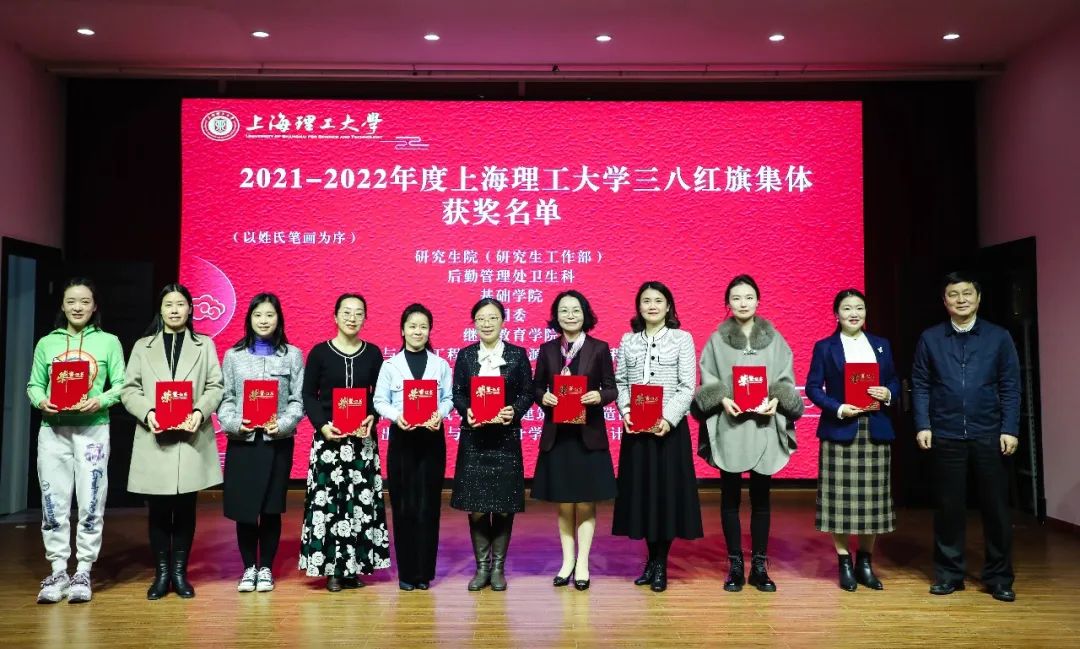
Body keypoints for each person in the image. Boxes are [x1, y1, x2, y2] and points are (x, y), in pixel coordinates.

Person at [912, 271, 1021, 602]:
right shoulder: (931, 338)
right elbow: (920, 384)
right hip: (945, 433)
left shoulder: (998, 337)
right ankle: (949, 574)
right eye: (953, 294)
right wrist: (923, 424)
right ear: (944, 301)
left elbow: (1011, 386)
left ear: (978, 298)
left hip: (990, 433)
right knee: (948, 509)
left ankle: (999, 578)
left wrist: (1010, 428)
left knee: (996, 509)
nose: (961, 300)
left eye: (967, 293)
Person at [694, 274, 804, 593]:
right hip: (730, 424)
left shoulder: (775, 339)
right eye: (736, 298)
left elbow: (785, 378)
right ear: (728, 303)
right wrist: (722, 398)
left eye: (749, 297)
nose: (743, 303)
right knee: (729, 496)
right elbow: (708, 378)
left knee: (761, 497)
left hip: (763, 424)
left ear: (758, 301)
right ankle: (735, 566)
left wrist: (776, 399)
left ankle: (758, 565)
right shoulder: (716, 340)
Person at [121, 283, 224, 600]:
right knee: (159, 510)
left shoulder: (204, 345)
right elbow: (129, 389)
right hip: (155, 436)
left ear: (190, 309)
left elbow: (215, 386)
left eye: (180, 304)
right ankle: (161, 573)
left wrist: (199, 412)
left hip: (191, 436)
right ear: (161, 309)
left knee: (185, 509)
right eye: (169, 304)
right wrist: (148, 412)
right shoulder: (143, 346)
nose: (175, 310)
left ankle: (180, 574)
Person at [26, 277, 126, 604]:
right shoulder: (47, 343)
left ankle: (83, 570)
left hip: (93, 430)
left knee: (91, 500)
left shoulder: (108, 342)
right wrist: (41, 401)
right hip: (53, 431)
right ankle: (58, 570)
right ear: (62, 305)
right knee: (53, 501)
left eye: (84, 301)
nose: (78, 307)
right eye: (71, 301)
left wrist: (101, 400)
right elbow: (34, 385)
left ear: (94, 306)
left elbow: (122, 384)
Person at [805, 289, 899, 591]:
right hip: (840, 428)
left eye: (859, 308)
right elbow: (812, 387)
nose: (854, 313)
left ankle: (865, 563)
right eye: (847, 308)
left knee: (873, 502)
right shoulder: (825, 347)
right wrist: (838, 408)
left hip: (875, 429)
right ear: (837, 314)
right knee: (840, 502)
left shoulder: (881, 345)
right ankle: (844, 561)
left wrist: (888, 392)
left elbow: (894, 380)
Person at [612, 281, 703, 592]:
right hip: (637, 430)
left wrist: (667, 419)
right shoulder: (628, 341)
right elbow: (621, 382)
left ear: (668, 307)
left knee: (666, 497)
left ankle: (661, 563)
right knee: (643, 497)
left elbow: (687, 386)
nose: (652, 306)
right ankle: (651, 560)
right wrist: (626, 412)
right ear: (639, 307)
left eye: (658, 301)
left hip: (668, 431)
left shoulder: (682, 339)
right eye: (646, 301)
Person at [298, 293, 390, 591]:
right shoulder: (319, 353)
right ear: (335, 316)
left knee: (360, 505)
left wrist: (373, 416)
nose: (352, 318)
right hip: (329, 443)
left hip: (362, 443)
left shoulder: (373, 353)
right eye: (347, 312)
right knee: (330, 505)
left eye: (359, 313)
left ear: (365, 318)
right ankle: (332, 570)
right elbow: (308, 395)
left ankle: (355, 567)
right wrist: (322, 426)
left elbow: (380, 395)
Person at [217, 293, 304, 593]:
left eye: (269, 315)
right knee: (245, 508)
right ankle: (248, 568)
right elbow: (226, 399)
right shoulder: (233, 356)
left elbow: (298, 401)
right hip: (243, 441)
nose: (264, 320)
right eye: (258, 315)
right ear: (249, 319)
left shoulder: (292, 355)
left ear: (279, 319)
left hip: (276, 442)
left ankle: (265, 566)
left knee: (270, 508)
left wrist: (283, 424)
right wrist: (234, 423)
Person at [531, 290, 618, 591]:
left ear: (585, 314)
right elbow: (536, 387)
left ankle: (583, 564)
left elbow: (612, 388)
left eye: (576, 310)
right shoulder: (547, 349)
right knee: (565, 503)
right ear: (556, 316)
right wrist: (544, 397)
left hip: (587, 435)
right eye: (564, 310)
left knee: (585, 501)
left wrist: (598, 396)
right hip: (559, 436)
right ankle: (567, 561)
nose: (570, 315)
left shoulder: (599, 348)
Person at [450, 298, 533, 592]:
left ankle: (498, 568)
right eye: (481, 319)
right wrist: (467, 411)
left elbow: (527, 392)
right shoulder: (465, 356)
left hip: (505, 440)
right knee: (476, 506)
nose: (487, 324)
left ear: (503, 321)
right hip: (475, 440)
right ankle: (482, 568)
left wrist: (515, 411)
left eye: (493, 318)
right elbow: (458, 393)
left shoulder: (517, 355)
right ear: (474, 323)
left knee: (504, 506)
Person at [373, 303, 453, 591]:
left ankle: (424, 574)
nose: (418, 331)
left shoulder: (440, 365)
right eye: (412, 326)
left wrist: (439, 414)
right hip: (403, 440)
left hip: (432, 440)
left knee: (429, 505)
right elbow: (379, 401)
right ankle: (407, 573)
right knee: (404, 505)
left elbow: (448, 399)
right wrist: (397, 416)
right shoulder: (390, 366)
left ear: (429, 331)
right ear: (403, 330)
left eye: (423, 326)